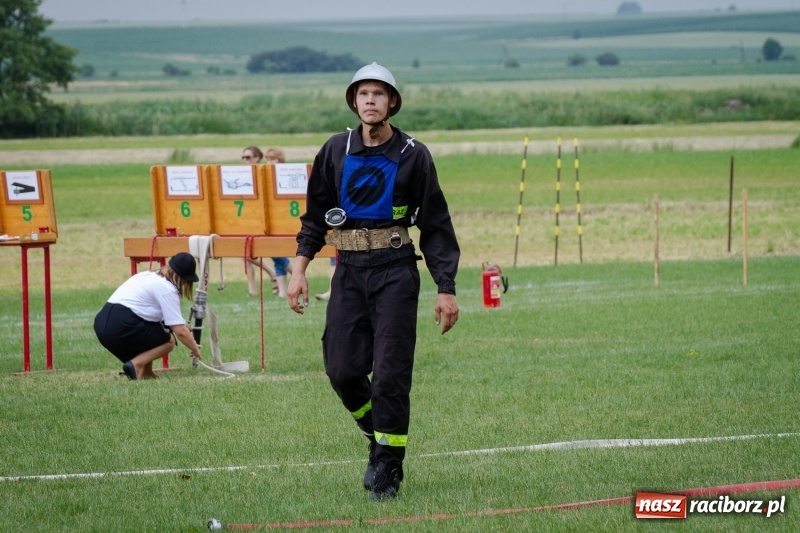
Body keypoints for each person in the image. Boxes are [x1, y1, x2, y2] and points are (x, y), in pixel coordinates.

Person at [287, 62, 460, 501]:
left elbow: (436, 226)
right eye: (362, 94)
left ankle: (388, 469)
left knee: (389, 375)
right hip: (348, 271)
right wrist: (299, 268)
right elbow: (313, 217)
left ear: (392, 103)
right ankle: (376, 434)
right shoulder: (334, 150)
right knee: (342, 369)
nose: (370, 101)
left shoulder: (414, 154)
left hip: (396, 272)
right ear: (353, 101)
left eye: (378, 94)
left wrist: (446, 288)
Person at [94, 252, 202, 380]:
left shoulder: (147, 275)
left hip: (102, 324)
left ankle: (146, 373)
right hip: (122, 324)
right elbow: (181, 332)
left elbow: (157, 320)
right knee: (168, 341)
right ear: (184, 279)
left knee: (154, 331)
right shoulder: (167, 288)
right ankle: (135, 365)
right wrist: (195, 349)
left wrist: (181, 327)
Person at [241, 145, 293, 297]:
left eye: (273, 159)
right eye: (268, 159)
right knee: (274, 252)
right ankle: (282, 291)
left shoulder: (285, 175)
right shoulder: (265, 174)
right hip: (265, 218)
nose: (269, 162)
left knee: (275, 251)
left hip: (281, 218)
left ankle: (296, 274)